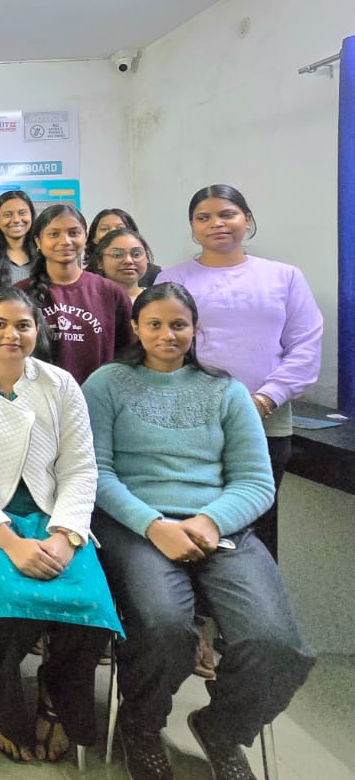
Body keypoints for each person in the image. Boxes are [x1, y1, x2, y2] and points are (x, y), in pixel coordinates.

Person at [83, 283, 315, 780]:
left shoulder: (227, 391)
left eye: (179, 325)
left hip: (221, 531)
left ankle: (223, 730)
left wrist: (209, 521)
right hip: (136, 527)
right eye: (155, 324)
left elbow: (256, 481)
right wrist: (154, 525)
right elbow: (96, 472)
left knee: (277, 645)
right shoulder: (107, 384)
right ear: (135, 328)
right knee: (165, 627)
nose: (167, 335)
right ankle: (141, 725)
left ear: (194, 329)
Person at [0, 287, 122, 764]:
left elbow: (81, 468)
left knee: (91, 602)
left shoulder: (60, 384)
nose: (11, 334)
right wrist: (10, 541)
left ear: (38, 331)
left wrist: (67, 534)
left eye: (23, 325)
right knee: (5, 603)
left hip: (53, 515)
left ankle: (57, 695)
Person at [156, 185, 322, 563]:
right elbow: (162, 346)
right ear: (193, 227)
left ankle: (259, 594)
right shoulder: (173, 279)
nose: (216, 223)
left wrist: (263, 400)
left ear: (246, 220)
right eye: (204, 217)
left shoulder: (284, 277)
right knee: (191, 518)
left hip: (266, 419)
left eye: (227, 214)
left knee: (258, 518)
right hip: (191, 421)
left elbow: (305, 347)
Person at [16, 204, 133, 385]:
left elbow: (128, 355)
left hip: (96, 396)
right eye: (54, 234)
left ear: (85, 238)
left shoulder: (110, 293)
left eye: (74, 233)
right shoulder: (19, 294)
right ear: (38, 242)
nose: (65, 241)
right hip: (37, 396)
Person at [0, 190, 37, 288]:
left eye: (22, 213)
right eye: (8, 215)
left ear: (32, 216)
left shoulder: (44, 252)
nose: (16, 220)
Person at [87, 207, 161, 285]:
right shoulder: (86, 278)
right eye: (104, 229)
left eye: (120, 228)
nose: (113, 232)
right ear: (93, 237)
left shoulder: (154, 275)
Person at [88, 228, 150, 303]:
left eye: (136, 254)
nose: (128, 261)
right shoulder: (88, 300)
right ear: (100, 262)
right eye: (117, 255)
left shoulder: (157, 299)